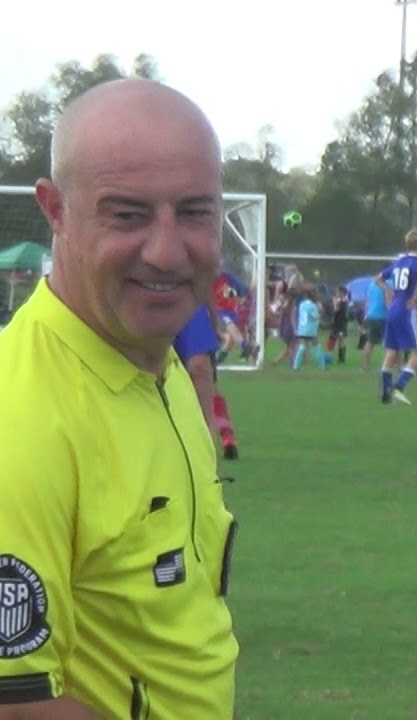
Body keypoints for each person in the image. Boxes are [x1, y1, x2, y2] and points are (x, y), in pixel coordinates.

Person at [0, 79, 237, 718]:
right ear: (55, 209)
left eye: (194, 212)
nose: (166, 252)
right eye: (127, 214)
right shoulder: (18, 423)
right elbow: (16, 706)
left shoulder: (158, 367)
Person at [174, 304, 240, 460]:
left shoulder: (226, 281)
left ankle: (216, 437)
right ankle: (224, 435)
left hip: (188, 300)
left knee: (201, 371)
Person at [375, 229, 417, 404]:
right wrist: (415, 297)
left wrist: (389, 290)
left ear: (407, 244)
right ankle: (398, 386)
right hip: (407, 311)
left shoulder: (398, 263)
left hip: (392, 310)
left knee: (392, 350)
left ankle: (385, 393)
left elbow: (378, 278)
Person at [361, 273, 388, 372]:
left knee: (370, 342)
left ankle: (365, 366)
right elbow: (387, 300)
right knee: (389, 343)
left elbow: (368, 300)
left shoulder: (372, 284)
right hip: (383, 315)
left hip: (371, 315)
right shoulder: (388, 283)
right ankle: (387, 366)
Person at [328, 285, 351, 364]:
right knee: (337, 339)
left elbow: (336, 310)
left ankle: (341, 359)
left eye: (337, 292)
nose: (336, 293)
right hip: (340, 323)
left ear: (342, 293)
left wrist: (335, 302)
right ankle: (339, 358)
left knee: (340, 340)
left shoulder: (342, 301)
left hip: (340, 323)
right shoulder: (345, 301)